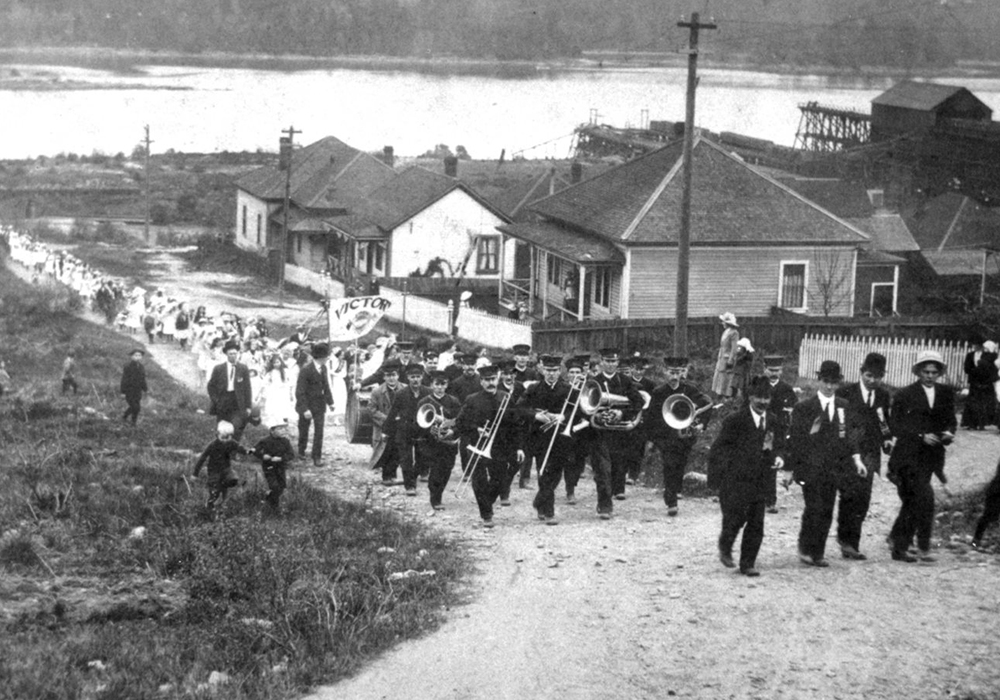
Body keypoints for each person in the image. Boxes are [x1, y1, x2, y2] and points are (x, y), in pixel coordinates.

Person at [784, 360, 867, 568]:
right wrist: (789, 469)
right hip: (810, 468)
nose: (829, 387)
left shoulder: (843, 407)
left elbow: (848, 436)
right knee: (814, 507)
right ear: (819, 380)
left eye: (834, 383)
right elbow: (795, 440)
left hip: (834, 467)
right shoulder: (804, 408)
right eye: (826, 381)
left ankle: (817, 552)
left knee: (827, 508)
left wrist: (856, 458)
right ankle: (806, 547)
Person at [709, 377, 786, 577]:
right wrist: (718, 479)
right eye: (759, 397)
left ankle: (747, 563)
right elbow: (719, 449)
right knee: (735, 519)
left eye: (767, 398)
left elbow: (778, 446)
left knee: (756, 522)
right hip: (736, 481)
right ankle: (725, 545)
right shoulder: (735, 420)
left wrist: (779, 457)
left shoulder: (773, 421)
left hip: (760, 480)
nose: (763, 402)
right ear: (750, 397)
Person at [887, 350, 957, 563]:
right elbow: (895, 425)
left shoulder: (945, 393)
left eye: (934, 372)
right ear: (918, 371)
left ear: (939, 373)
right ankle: (912, 547)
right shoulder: (905, 394)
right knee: (924, 499)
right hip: (908, 455)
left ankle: (899, 540)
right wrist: (919, 436)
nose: (929, 376)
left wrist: (948, 433)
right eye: (925, 371)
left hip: (931, 457)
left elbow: (951, 420)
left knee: (913, 500)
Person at [835, 352, 894, 560]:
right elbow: (839, 424)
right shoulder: (846, 393)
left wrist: (887, 438)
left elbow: (884, 422)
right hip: (847, 452)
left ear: (882, 376)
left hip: (870, 453)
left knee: (863, 498)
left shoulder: (883, 396)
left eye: (877, 376)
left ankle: (851, 541)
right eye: (868, 375)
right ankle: (847, 541)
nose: (872, 380)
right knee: (850, 494)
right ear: (861, 372)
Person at [646, 356, 714, 516]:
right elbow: (651, 417)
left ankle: (675, 490)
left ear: (682, 372)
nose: (675, 376)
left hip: (685, 436)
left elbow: (708, 404)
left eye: (678, 372)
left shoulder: (689, 389)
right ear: (665, 372)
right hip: (665, 436)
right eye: (671, 372)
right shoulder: (658, 392)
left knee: (680, 464)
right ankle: (671, 500)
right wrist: (652, 439)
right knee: (669, 464)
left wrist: (702, 424)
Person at [456, 364, 517, 528]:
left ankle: (486, 502)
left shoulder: (506, 397)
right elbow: (460, 423)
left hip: (499, 446)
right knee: (479, 481)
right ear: (481, 382)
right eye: (486, 380)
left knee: (499, 479)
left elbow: (515, 424)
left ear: (497, 379)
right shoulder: (472, 399)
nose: (490, 383)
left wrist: (517, 446)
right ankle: (486, 514)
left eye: (493, 379)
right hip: (477, 445)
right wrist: (476, 429)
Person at [516, 354, 574, 525]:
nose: (551, 374)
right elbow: (520, 408)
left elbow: (578, 410)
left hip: (561, 436)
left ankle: (539, 502)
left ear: (560, 371)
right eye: (548, 370)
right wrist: (536, 415)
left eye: (555, 370)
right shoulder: (533, 388)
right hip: (539, 436)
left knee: (556, 473)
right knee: (544, 471)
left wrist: (563, 416)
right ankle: (549, 512)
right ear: (542, 370)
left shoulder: (568, 389)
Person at [588, 348, 645, 519]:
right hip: (599, 433)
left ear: (618, 363)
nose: (611, 364)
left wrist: (622, 414)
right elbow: (584, 405)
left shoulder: (625, 381)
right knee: (602, 470)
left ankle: (609, 495)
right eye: (607, 361)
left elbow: (638, 402)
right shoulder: (594, 381)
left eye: (614, 361)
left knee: (617, 468)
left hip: (619, 434)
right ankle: (605, 505)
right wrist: (597, 415)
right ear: (601, 362)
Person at [415, 371, 462, 511]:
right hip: (431, 443)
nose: (440, 387)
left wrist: (451, 430)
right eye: (437, 384)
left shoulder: (453, 401)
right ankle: (435, 498)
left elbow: (460, 421)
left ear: (447, 385)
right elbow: (419, 423)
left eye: (443, 384)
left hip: (448, 443)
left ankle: (439, 493)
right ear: (431, 385)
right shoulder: (424, 402)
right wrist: (430, 431)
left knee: (447, 469)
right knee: (435, 471)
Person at [383, 363, 431, 494]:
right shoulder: (401, 394)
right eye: (412, 377)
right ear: (408, 377)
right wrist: (386, 431)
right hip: (404, 430)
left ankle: (413, 477)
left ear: (422, 377)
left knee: (422, 459)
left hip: (422, 431)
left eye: (418, 376)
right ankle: (410, 486)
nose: (415, 379)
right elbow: (393, 413)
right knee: (406, 460)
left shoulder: (428, 392)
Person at [761, 355, 798, 513]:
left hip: (778, 431)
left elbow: (792, 410)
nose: (774, 373)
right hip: (760, 430)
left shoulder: (786, 389)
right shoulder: (758, 386)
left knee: (772, 463)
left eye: (777, 370)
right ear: (764, 369)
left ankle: (770, 501)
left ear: (782, 370)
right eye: (771, 370)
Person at [193, 420, 248, 512]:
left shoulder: (232, 443)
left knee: (232, 479)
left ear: (232, 435)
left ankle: (223, 501)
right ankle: (210, 504)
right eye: (223, 437)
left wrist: (249, 451)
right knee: (215, 488)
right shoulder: (213, 445)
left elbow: (240, 448)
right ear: (217, 434)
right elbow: (202, 458)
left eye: (228, 437)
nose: (225, 440)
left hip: (226, 468)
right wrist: (195, 473)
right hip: (214, 470)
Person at [295, 342, 335, 467]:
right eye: (326, 355)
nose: (328, 358)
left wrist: (331, 402)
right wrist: (305, 409)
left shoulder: (324, 368)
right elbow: (299, 391)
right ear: (320, 356)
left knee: (319, 431)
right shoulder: (306, 370)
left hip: (319, 405)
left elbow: (326, 386)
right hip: (306, 404)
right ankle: (301, 451)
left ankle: (316, 456)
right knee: (303, 429)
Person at [207, 339, 254, 443]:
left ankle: (234, 449)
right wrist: (216, 400)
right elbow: (211, 386)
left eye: (235, 353)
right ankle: (220, 450)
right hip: (223, 400)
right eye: (230, 354)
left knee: (237, 426)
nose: (233, 356)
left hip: (237, 401)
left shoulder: (243, 368)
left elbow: (247, 388)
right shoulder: (219, 369)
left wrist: (248, 406)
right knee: (222, 427)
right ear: (226, 354)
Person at [252, 421, 296, 514]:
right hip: (269, 467)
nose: (283, 431)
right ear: (272, 431)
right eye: (279, 429)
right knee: (274, 487)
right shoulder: (265, 440)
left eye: (284, 428)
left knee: (281, 487)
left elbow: (291, 455)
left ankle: (269, 498)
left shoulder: (285, 441)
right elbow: (255, 450)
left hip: (280, 467)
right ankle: (275, 508)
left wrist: (281, 458)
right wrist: (263, 456)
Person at [369, 359, 402, 482]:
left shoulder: (404, 388)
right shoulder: (377, 392)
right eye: (388, 376)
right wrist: (387, 420)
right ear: (384, 377)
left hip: (399, 425)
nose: (391, 378)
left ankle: (393, 474)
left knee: (397, 450)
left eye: (393, 375)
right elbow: (372, 410)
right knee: (385, 450)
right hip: (383, 426)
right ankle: (386, 476)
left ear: (398, 375)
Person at [962, 333, 997, 430]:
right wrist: (975, 371)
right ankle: (971, 423)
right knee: (972, 403)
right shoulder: (970, 355)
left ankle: (982, 424)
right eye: (972, 344)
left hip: (985, 382)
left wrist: (979, 371)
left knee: (983, 403)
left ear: (981, 345)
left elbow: (990, 369)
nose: (974, 346)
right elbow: (966, 368)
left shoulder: (989, 356)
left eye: (976, 344)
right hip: (974, 381)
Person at [257, 353, 296, 431]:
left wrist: (291, 393)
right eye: (274, 363)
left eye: (277, 362)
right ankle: (275, 426)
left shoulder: (286, 371)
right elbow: (264, 383)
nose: (276, 364)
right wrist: (260, 394)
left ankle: (285, 425)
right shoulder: (270, 372)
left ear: (281, 362)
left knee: (284, 409)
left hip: (283, 393)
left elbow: (292, 382)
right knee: (274, 410)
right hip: (274, 393)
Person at [972, 459, 1000, 550]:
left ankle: (976, 541)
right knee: (989, 516)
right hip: (996, 491)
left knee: (989, 516)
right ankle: (975, 541)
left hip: (995, 490)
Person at [712, 312, 740, 399]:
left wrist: (730, 361)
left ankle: (728, 396)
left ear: (728, 323)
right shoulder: (725, 332)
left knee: (727, 376)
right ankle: (720, 395)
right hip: (722, 357)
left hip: (728, 358)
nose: (722, 323)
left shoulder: (734, 333)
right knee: (721, 376)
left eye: (724, 322)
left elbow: (734, 349)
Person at [120, 348, 148, 425]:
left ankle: (128, 419)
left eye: (139, 355)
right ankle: (129, 419)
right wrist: (123, 392)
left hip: (138, 390)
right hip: (129, 390)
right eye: (135, 355)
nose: (138, 357)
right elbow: (124, 379)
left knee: (136, 407)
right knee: (135, 407)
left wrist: (145, 389)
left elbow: (142, 379)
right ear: (131, 356)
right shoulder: (128, 366)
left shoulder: (141, 367)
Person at [731, 337, 755, 401]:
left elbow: (750, 362)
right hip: (738, 371)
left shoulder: (749, 354)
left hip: (744, 372)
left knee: (745, 386)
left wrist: (746, 356)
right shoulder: (739, 352)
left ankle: (744, 398)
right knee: (736, 385)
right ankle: (735, 397)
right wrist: (743, 356)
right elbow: (737, 360)